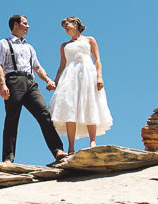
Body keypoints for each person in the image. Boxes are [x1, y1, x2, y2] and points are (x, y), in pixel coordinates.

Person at [0, 14, 68, 163]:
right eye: (25, 23)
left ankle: (58, 150)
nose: (28, 26)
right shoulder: (4, 43)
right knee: (12, 119)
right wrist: (2, 84)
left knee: (44, 115)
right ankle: (8, 159)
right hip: (14, 81)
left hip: (30, 82)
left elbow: (37, 67)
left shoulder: (29, 47)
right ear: (16, 25)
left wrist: (48, 80)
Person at [48, 16, 113, 154]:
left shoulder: (90, 40)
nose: (65, 28)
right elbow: (61, 66)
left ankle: (92, 140)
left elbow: (97, 60)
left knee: (89, 103)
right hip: (69, 76)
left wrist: (99, 77)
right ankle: (71, 147)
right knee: (68, 107)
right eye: (63, 27)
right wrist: (55, 82)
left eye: (67, 25)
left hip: (87, 74)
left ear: (75, 24)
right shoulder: (64, 46)